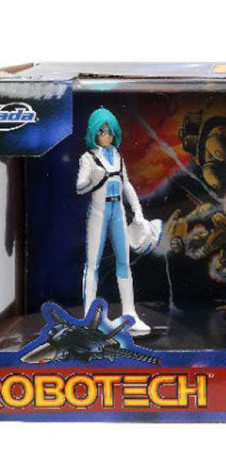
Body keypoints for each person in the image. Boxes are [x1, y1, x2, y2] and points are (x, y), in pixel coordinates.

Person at [76, 107, 151, 335]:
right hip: (99, 214)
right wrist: (93, 179)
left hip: (118, 212)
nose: (106, 135)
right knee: (93, 264)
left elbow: (126, 184)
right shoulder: (88, 158)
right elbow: (80, 187)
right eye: (101, 131)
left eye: (109, 131)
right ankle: (89, 317)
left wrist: (138, 211)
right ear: (94, 133)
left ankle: (130, 314)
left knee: (124, 262)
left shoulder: (117, 156)